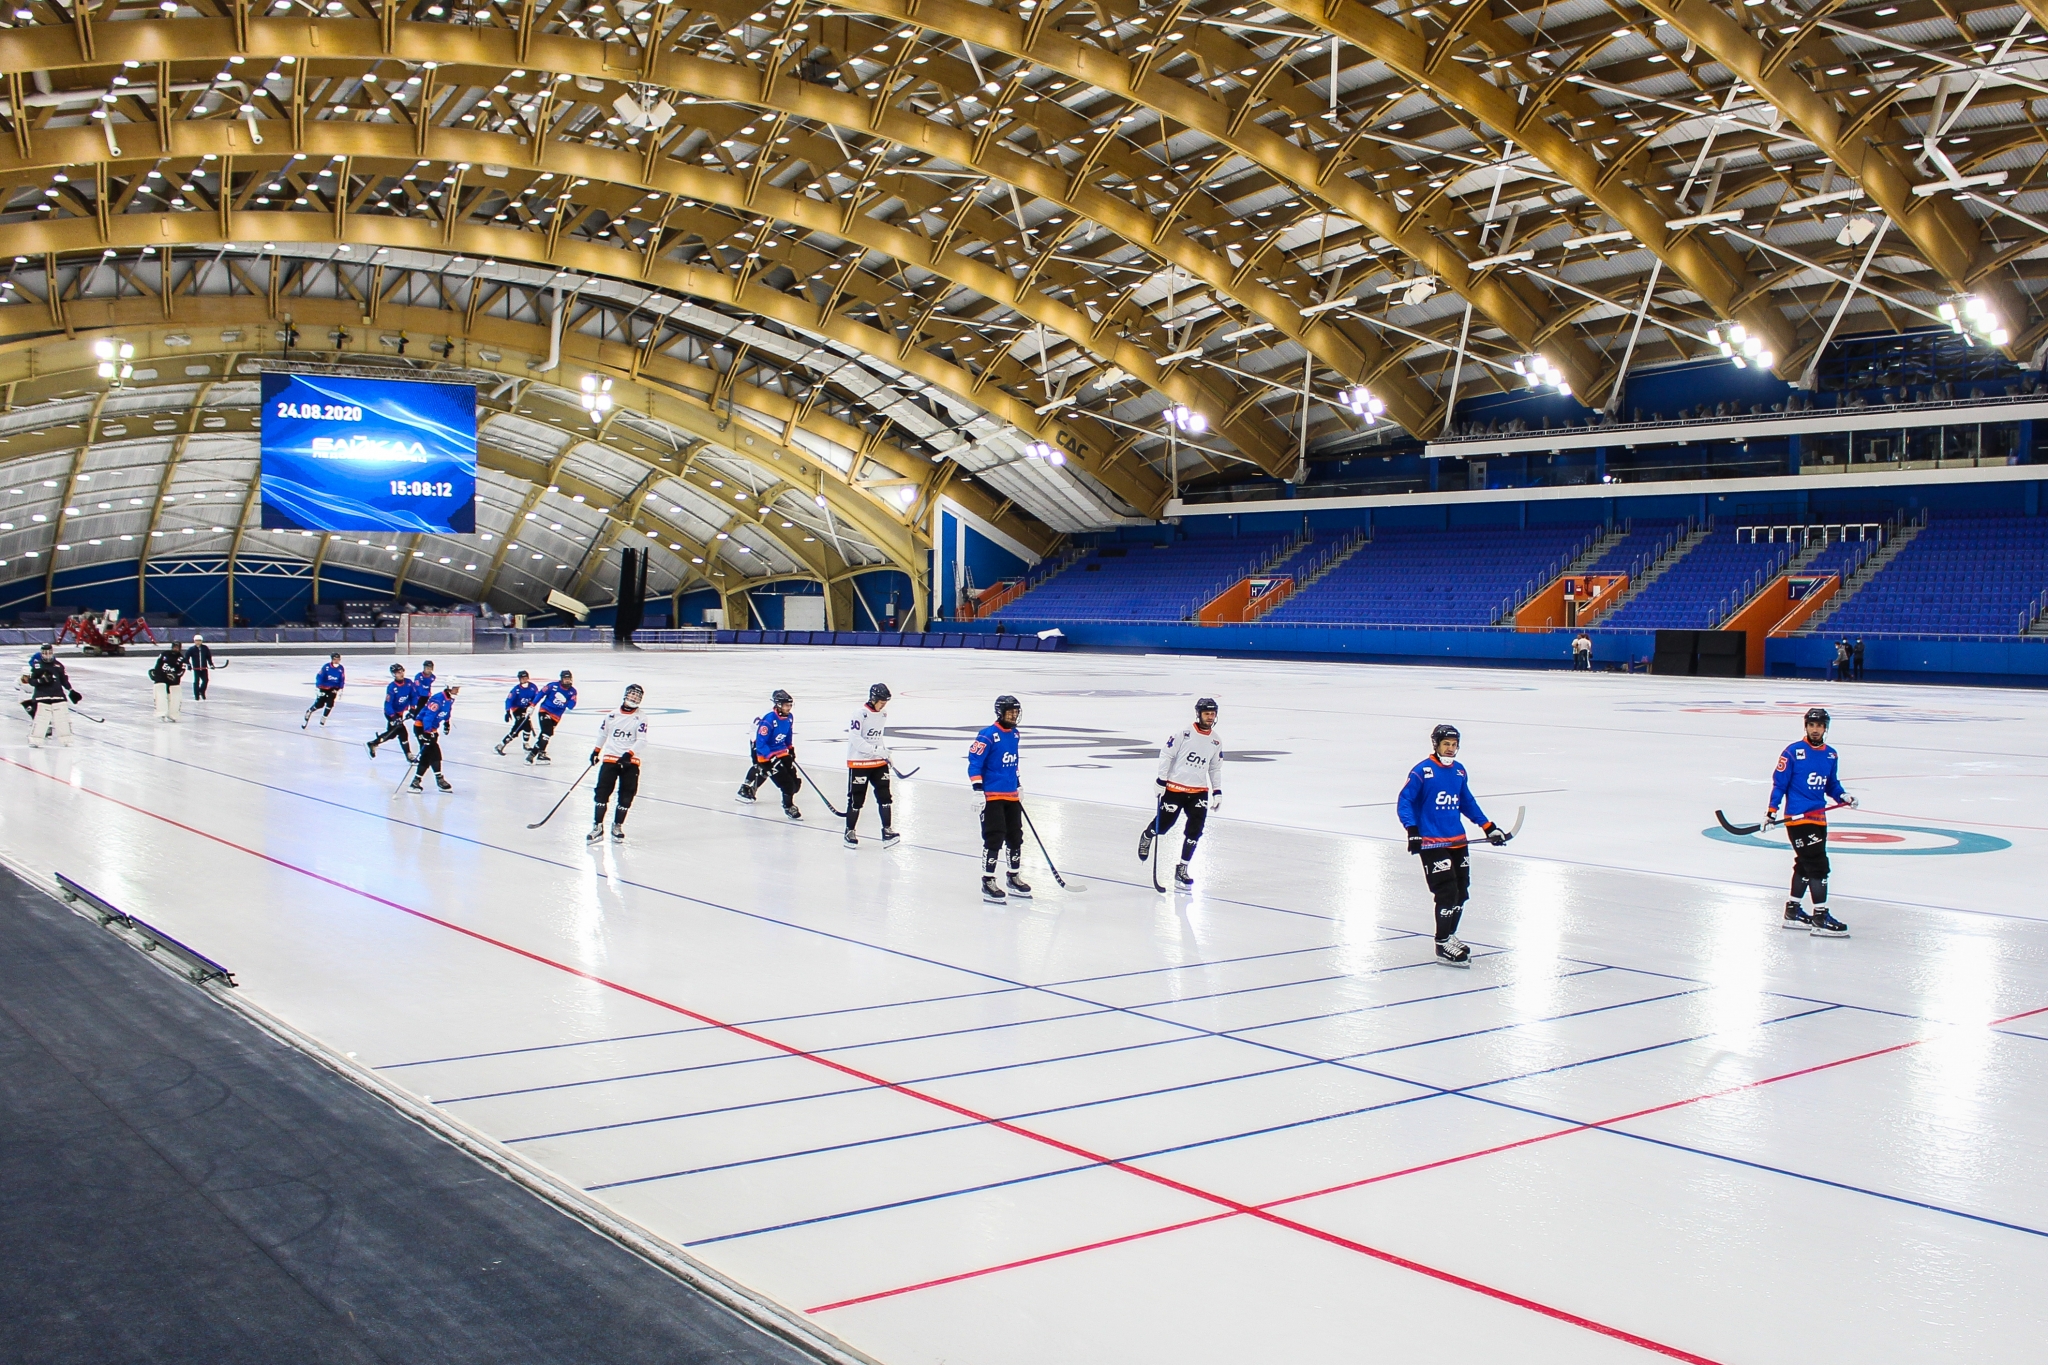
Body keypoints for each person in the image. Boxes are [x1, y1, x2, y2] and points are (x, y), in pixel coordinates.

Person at [1397, 724, 1512, 967]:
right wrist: (1413, 830)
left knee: (1461, 890)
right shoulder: (1422, 771)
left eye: (1454, 744)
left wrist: (1488, 826)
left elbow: (1466, 801)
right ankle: (1441, 944)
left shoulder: (1459, 771)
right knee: (1446, 891)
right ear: (1436, 744)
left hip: (1457, 840)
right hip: (1432, 843)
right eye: (1446, 744)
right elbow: (1405, 801)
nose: (1451, 748)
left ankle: (1450, 935)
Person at [1768, 706, 1853, 937]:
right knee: (1818, 866)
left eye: (1820, 725)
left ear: (1826, 728)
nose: (1815, 730)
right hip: (1798, 819)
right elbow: (1780, 784)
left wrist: (1842, 795)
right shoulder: (1793, 752)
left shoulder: (1830, 754)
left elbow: (1831, 784)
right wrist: (1771, 811)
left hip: (1818, 818)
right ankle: (1820, 916)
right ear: (1805, 726)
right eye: (1811, 725)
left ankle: (1793, 912)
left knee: (1805, 864)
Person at [1137, 697, 1222, 890]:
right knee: (1164, 825)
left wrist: (1217, 791)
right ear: (1198, 714)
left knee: (1195, 831)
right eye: (1206, 713)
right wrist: (1161, 780)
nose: (1210, 717)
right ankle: (1148, 835)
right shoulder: (1183, 734)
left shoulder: (1216, 741)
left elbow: (1215, 768)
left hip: (1199, 791)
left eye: (1213, 714)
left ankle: (1182, 869)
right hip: (1175, 788)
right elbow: (1166, 754)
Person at [968, 694, 1028, 902]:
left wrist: (1018, 784)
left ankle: (1013, 876)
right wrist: (977, 790)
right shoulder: (987, 735)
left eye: (1016, 713)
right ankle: (988, 880)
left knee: (1015, 836)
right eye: (1010, 712)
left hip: (1011, 795)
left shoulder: (1015, 734)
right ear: (1000, 712)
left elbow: (1013, 762)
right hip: (992, 796)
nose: (1014, 716)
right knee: (994, 837)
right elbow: (974, 763)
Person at [587, 684, 649, 843]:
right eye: (632, 695)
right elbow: (603, 734)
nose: (634, 698)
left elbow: (641, 740)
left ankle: (617, 825)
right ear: (626, 695)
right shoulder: (612, 715)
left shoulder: (641, 717)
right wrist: (596, 751)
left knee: (627, 795)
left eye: (637, 696)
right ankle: (598, 827)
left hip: (630, 762)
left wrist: (629, 754)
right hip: (611, 759)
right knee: (602, 792)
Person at [843, 682, 898, 848]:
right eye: (881, 701)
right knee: (856, 799)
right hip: (859, 762)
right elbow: (856, 740)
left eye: (885, 702)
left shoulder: (883, 714)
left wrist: (884, 752)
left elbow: (877, 736)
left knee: (885, 796)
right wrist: (876, 750)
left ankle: (887, 830)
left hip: (878, 762)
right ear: (873, 699)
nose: (883, 705)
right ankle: (849, 831)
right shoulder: (860, 714)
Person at [736, 688, 803, 819]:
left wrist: (790, 748)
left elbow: (788, 733)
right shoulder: (768, 719)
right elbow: (760, 741)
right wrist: (768, 757)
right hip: (760, 744)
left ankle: (752, 788)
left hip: (779, 749)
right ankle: (746, 788)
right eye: (786, 705)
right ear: (778, 704)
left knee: (794, 782)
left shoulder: (789, 717)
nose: (789, 708)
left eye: (790, 705)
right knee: (762, 768)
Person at [21, 646, 80, 748]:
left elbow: (64, 680)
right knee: (41, 719)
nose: (47, 655)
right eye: (45, 653)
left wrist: (71, 690)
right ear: (41, 653)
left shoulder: (58, 665)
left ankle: (66, 739)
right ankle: (35, 740)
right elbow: (31, 681)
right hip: (42, 696)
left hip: (58, 696)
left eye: (49, 652)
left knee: (62, 719)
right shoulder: (37, 665)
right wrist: (40, 681)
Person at [407, 683, 461, 792]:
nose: (458, 690)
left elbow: (447, 712)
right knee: (435, 752)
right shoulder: (437, 699)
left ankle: (416, 781)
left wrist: (446, 723)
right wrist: (426, 731)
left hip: (432, 730)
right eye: (456, 688)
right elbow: (428, 716)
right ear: (449, 687)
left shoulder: (450, 699)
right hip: (422, 728)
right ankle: (439, 779)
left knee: (427, 755)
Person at [366, 663, 417, 762]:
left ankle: (374, 743)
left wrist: (413, 708)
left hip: (400, 713)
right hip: (391, 714)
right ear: (394, 674)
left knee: (392, 733)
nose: (401, 674)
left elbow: (413, 696)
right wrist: (393, 717)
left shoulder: (409, 683)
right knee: (402, 732)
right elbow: (388, 705)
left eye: (402, 671)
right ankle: (408, 755)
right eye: (398, 672)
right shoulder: (392, 687)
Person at [527, 669, 577, 764]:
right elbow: (541, 694)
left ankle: (541, 754)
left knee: (546, 735)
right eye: (565, 679)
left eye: (569, 679)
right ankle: (532, 755)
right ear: (561, 679)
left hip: (556, 716)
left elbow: (571, 706)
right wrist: (532, 705)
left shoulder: (572, 691)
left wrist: (565, 701)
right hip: (545, 711)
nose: (567, 681)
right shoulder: (552, 686)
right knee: (547, 732)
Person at [496, 670, 539, 754]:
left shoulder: (533, 687)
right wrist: (507, 712)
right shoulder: (516, 689)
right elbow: (509, 700)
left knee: (527, 727)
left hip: (526, 708)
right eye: (522, 678)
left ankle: (525, 744)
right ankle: (501, 744)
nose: (524, 680)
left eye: (525, 678)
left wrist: (531, 705)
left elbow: (536, 697)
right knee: (519, 726)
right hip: (517, 709)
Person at [148, 641, 187, 723]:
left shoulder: (182, 659)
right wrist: (155, 673)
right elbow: (158, 665)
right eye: (174, 647)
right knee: (160, 694)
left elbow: (182, 671)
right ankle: (161, 713)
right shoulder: (164, 654)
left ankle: (173, 714)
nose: (175, 648)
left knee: (174, 697)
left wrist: (175, 676)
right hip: (161, 678)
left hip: (173, 681)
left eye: (177, 647)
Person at [304, 652, 345, 728]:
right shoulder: (326, 667)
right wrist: (317, 687)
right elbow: (319, 677)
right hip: (324, 687)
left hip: (333, 688)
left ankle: (324, 718)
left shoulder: (341, 668)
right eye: (335, 660)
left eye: (338, 660)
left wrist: (341, 688)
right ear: (332, 659)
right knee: (320, 704)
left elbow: (342, 679)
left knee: (330, 703)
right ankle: (310, 710)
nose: (337, 661)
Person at [184, 634, 221, 699]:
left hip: (204, 668)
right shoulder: (191, 649)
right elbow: (186, 657)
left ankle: (201, 691)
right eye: (196, 641)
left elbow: (208, 657)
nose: (198, 642)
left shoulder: (205, 648)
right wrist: (189, 665)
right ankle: (196, 695)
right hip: (196, 669)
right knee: (196, 682)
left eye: (199, 641)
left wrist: (211, 664)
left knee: (205, 680)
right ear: (194, 641)